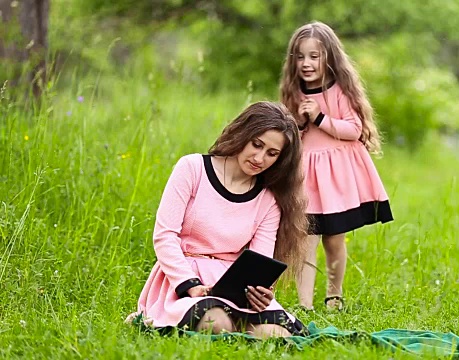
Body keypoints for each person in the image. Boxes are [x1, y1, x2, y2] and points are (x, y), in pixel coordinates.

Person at [126, 101, 309, 338]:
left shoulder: (268, 199)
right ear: (243, 134)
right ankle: (150, 318)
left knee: (275, 334)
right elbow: (165, 235)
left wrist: (262, 292)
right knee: (217, 323)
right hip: (183, 277)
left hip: (233, 285)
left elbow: (259, 262)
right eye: (257, 145)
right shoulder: (192, 168)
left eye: (271, 154)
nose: (259, 158)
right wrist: (189, 284)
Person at [279, 21, 393, 312]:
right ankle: (305, 304)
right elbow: (289, 135)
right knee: (305, 239)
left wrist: (319, 118)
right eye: (300, 57)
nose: (306, 63)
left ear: (329, 57)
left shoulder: (339, 90)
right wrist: (301, 124)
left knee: (333, 239)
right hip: (307, 176)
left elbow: (354, 129)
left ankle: (334, 295)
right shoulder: (294, 91)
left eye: (314, 56)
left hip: (335, 176)